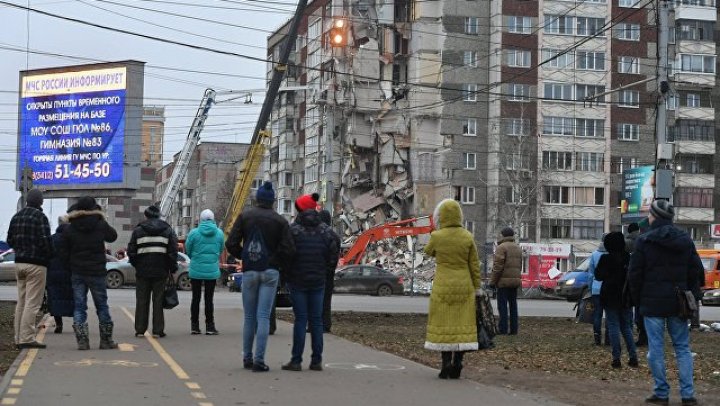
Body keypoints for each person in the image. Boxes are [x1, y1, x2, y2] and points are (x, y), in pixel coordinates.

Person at [628, 200, 703, 406]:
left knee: (656, 349)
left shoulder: (644, 241)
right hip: (679, 303)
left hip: (652, 304)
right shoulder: (685, 240)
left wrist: (638, 300)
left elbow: (635, 274)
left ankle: (661, 392)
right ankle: (688, 395)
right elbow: (696, 270)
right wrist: (692, 295)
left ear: (654, 216)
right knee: (682, 348)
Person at [226, 181, 295, 372]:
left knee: (249, 317)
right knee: (263, 315)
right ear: (272, 201)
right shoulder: (280, 221)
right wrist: (276, 260)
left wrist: (244, 256)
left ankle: (247, 358)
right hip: (271, 271)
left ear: (257, 200)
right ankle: (259, 360)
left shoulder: (245, 217)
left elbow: (230, 243)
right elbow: (289, 249)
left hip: (250, 270)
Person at [423, 199, 480, 379]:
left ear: (442, 216)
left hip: (443, 285)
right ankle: (458, 362)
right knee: (462, 325)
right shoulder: (467, 236)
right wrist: (477, 287)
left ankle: (445, 363)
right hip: (464, 285)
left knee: (444, 324)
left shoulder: (437, 237)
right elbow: (474, 265)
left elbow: (427, 251)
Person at [281, 193, 339, 372]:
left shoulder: (292, 231)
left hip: (298, 281)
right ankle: (316, 361)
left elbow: (286, 256)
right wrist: (324, 272)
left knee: (300, 320)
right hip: (318, 281)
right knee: (316, 321)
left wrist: (287, 276)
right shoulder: (327, 232)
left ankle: (296, 360)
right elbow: (333, 257)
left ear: (300, 209)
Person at [59, 196, 118, 350]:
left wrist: (70, 267)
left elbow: (63, 253)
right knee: (102, 306)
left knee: (79, 307)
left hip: (77, 272)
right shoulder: (100, 224)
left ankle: (82, 342)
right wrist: (101, 216)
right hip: (97, 272)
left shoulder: (70, 228)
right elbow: (113, 236)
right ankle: (106, 341)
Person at [7, 188, 54, 349]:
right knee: (32, 303)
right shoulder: (40, 217)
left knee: (22, 301)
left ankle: (18, 337)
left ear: (27, 201)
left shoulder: (16, 217)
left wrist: (21, 250)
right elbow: (46, 242)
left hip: (19, 263)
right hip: (36, 264)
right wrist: (49, 256)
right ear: (40, 202)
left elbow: (9, 239)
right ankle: (27, 338)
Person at [127, 205, 178, 338]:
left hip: (142, 271)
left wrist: (137, 265)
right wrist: (171, 268)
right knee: (158, 300)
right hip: (161, 271)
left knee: (142, 300)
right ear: (158, 215)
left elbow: (131, 251)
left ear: (146, 215)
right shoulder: (167, 230)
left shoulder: (138, 230)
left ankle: (140, 329)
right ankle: (158, 330)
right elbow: (172, 252)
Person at [594, 232, 637, 369]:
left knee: (613, 325)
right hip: (625, 296)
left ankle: (616, 358)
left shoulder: (605, 259)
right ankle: (633, 356)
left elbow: (598, 276)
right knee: (626, 327)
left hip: (609, 296)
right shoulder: (627, 258)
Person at [185, 209, 224, 335]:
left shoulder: (193, 233)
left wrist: (195, 259)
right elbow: (221, 248)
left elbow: (188, 249)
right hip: (212, 270)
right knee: (209, 299)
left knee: (195, 298)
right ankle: (210, 326)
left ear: (201, 219)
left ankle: (194, 326)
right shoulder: (219, 233)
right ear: (213, 219)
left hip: (196, 269)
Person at [490, 227, 522, 335]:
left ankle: (503, 329)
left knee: (502, 306)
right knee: (513, 306)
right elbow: (519, 266)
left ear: (503, 235)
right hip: (514, 282)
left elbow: (498, 267)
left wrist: (493, 282)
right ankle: (514, 329)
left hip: (503, 282)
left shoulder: (501, 247)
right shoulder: (518, 248)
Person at [46, 216, 74, 334]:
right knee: (73, 297)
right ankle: (77, 323)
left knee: (55, 297)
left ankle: (59, 325)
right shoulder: (72, 239)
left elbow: (46, 255)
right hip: (70, 272)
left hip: (53, 273)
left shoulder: (52, 239)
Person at [318, 209, 341, 333]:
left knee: (315, 300)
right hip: (329, 273)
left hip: (317, 272)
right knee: (326, 301)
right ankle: (326, 325)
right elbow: (335, 256)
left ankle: (314, 325)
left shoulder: (316, 233)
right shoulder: (335, 236)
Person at [625, 222, 647, 347]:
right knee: (641, 309)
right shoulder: (645, 240)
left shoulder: (626, 243)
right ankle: (643, 334)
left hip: (629, 280)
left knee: (628, 308)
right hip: (643, 281)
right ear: (638, 230)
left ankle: (631, 330)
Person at [587, 237, 610, 346]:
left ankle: (597, 338)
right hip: (609, 289)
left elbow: (591, 274)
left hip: (596, 289)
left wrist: (590, 288)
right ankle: (608, 339)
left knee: (597, 314)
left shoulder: (594, 254)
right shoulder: (612, 254)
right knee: (609, 314)